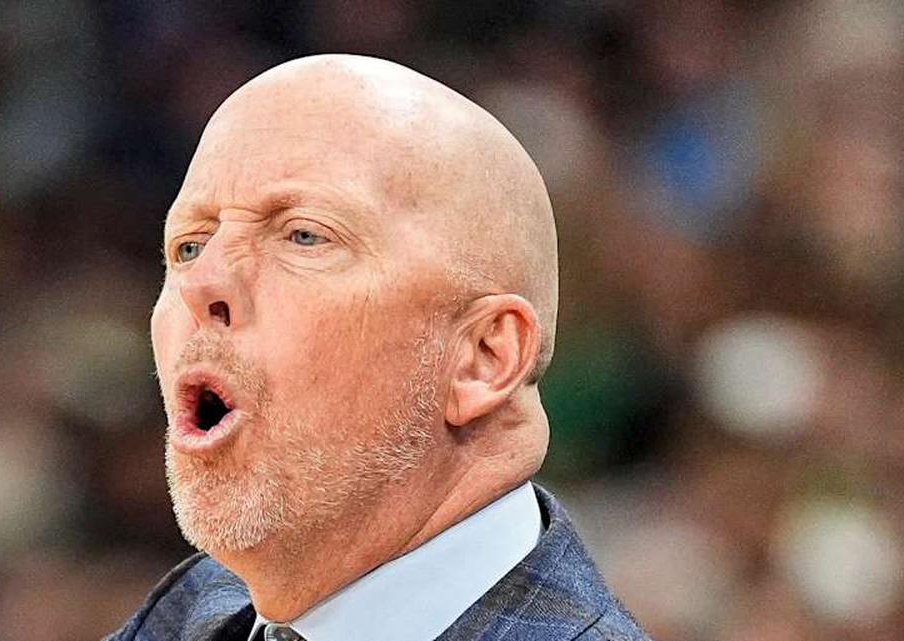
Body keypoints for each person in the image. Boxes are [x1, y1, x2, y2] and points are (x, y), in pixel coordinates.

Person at [107, 54, 651, 641]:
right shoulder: (182, 618)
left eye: (304, 235)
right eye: (189, 246)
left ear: (483, 357)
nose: (202, 283)